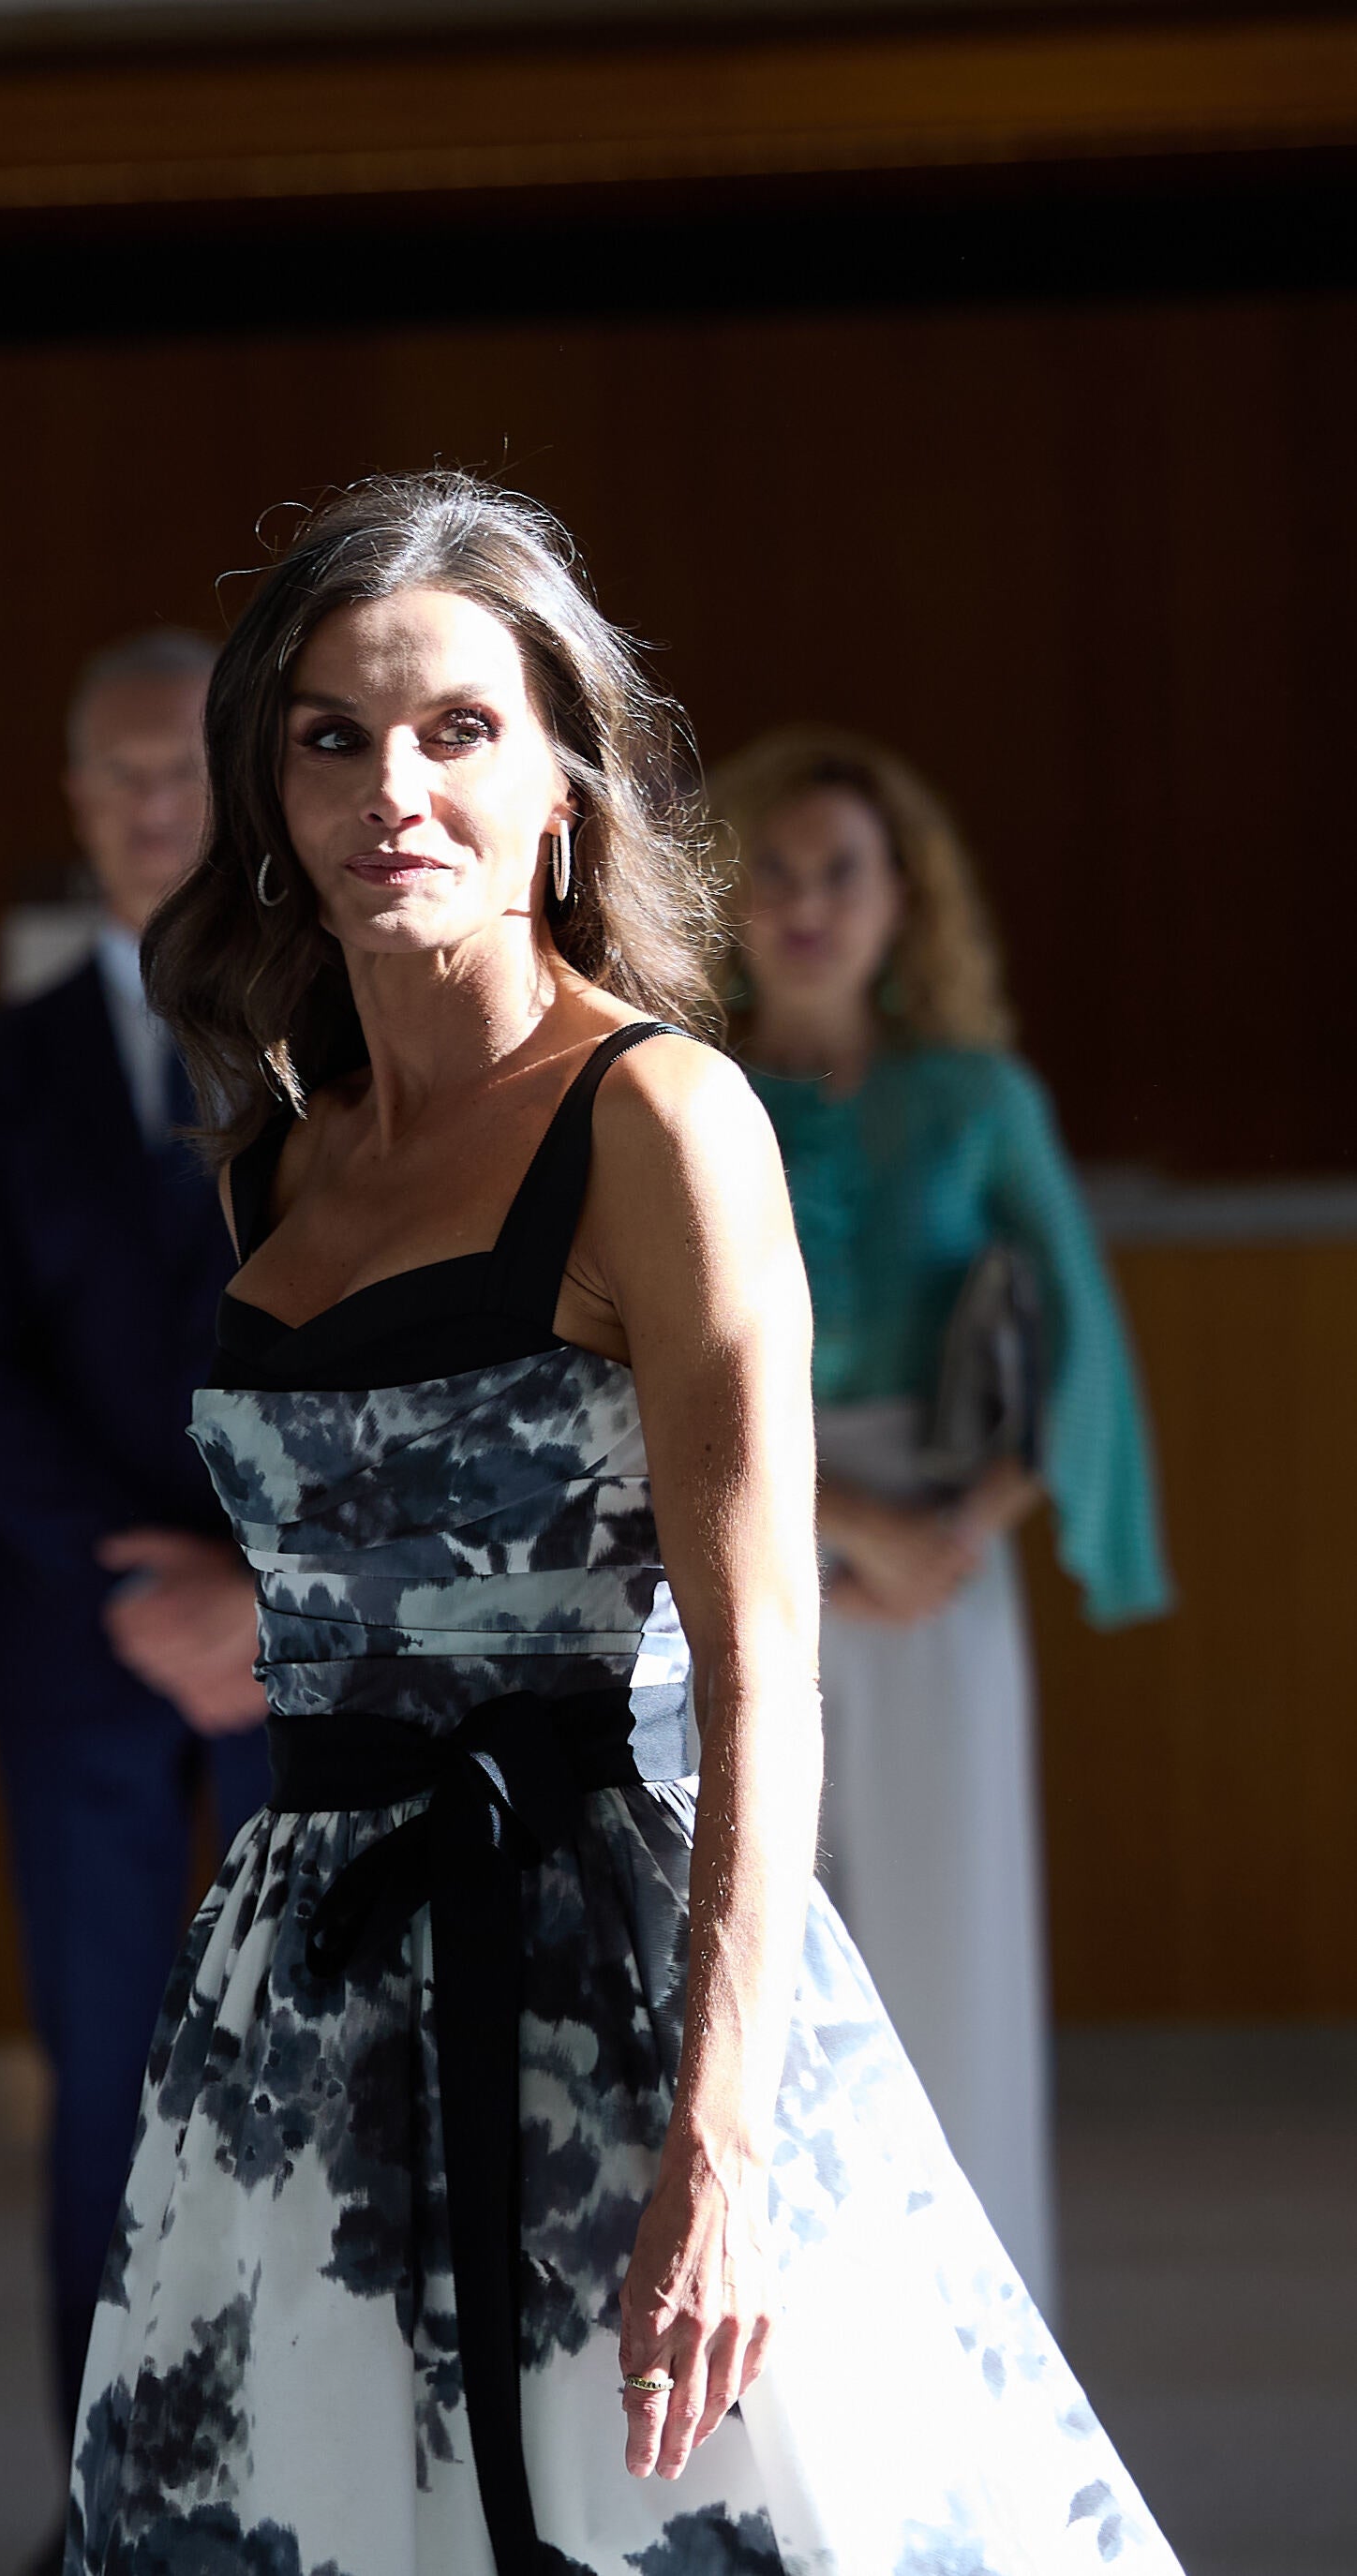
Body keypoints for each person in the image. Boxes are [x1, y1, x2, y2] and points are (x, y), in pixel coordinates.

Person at [72, 472, 1174, 2570]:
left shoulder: (657, 1117)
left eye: (457, 730)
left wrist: (724, 2138)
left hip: (607, 1972)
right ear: (268, 795)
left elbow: (764, 1669)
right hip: (300, 1991)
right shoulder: (269, 1169)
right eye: (330, 737)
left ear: (563, 790)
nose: (393, 787)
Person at [707, 726, 1171, 2312]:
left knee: (949, 1955)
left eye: (840, 868)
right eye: (769, 867)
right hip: (721, 1550)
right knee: (745, 1974)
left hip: (942, 1570)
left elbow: (1080, 1348)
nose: (804, 901)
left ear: (905, 895)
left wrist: (957, 1522)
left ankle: (968, 2346)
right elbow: (630, 1356)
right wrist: (831, 1524)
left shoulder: (977, 1095)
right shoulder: (670, 1096)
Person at [0, 627, 270, 2569]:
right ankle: (113, 2501)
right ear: (74, 804)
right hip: (80, 1636)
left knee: (321, 2078)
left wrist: (259, 1579)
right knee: (110, 2100)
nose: (152, 806)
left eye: (183, 769)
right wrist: (139, 1574)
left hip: (317, 1635)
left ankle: (310, 2482)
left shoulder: (364, 1034)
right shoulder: (0, 1064)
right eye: (116, 773)